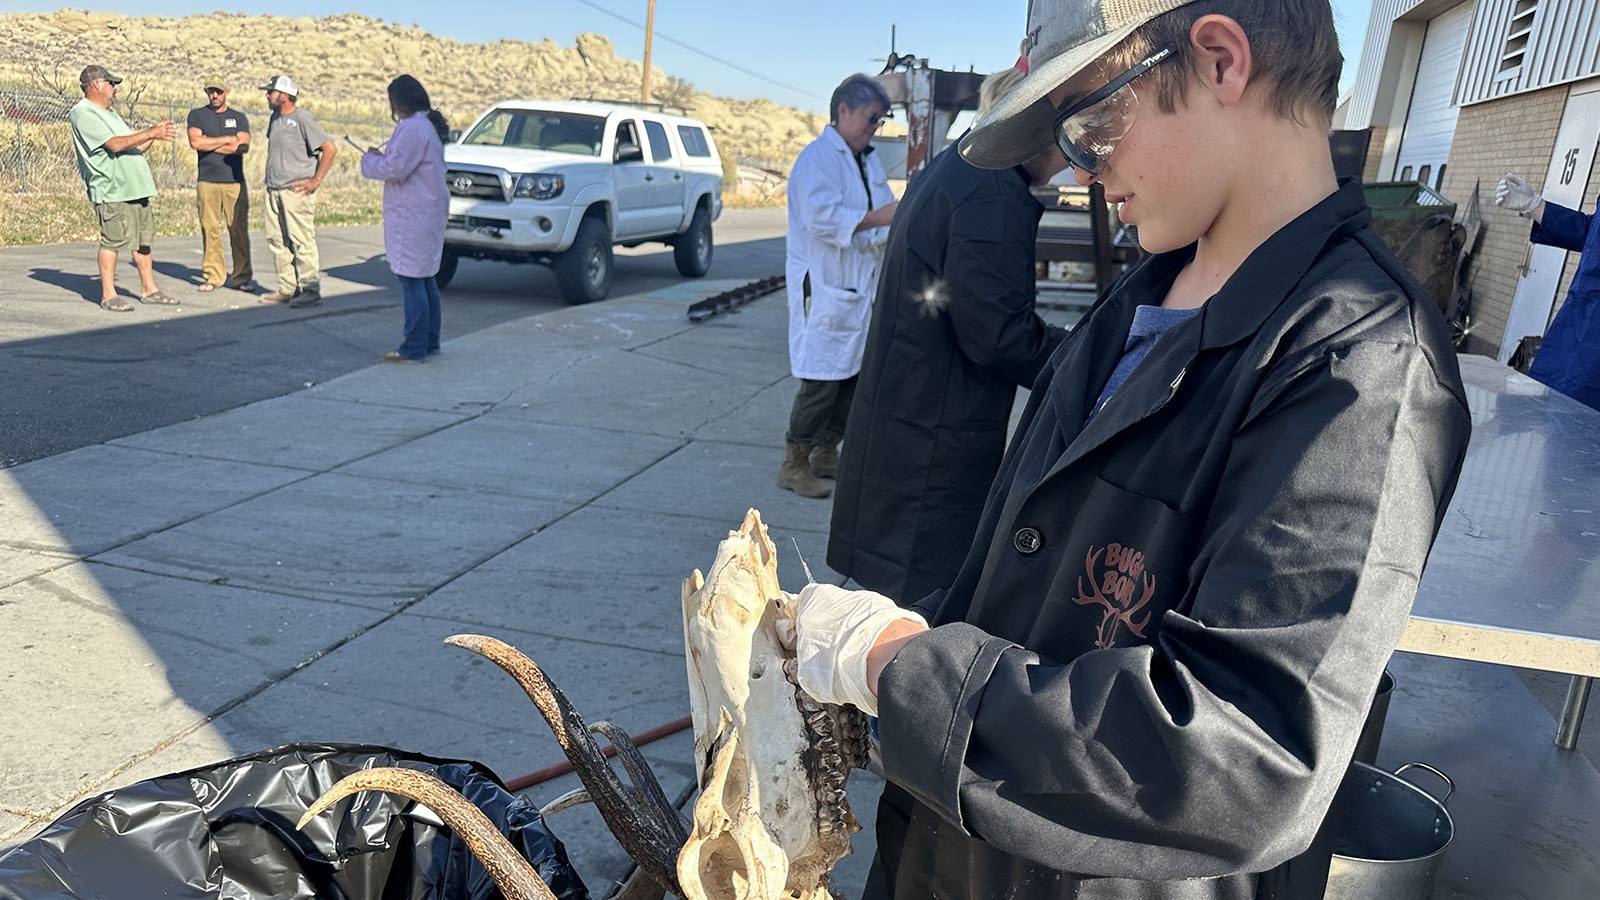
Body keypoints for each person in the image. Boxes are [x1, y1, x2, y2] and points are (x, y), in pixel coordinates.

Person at [789, 3, 1473, 899]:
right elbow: (1019, 579)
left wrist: (897, 667)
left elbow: (1248, 758)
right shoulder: (1140, 302)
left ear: (1222, 60)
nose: (1081, 170)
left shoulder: (1361, 367)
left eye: (1092, 122)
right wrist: (895, 636)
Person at [827, 64, 1070, 605]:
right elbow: (997, 334)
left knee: (890, 591)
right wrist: (1082, 355)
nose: (1073, 162)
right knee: (917, 607)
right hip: (934, 430)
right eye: (1070, 142)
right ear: (1033, 129)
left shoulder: (956, 167)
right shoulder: (993, 191)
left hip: (910, 406)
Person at [781, 73, 900, 499]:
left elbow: (885, 206)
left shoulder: (865, 160)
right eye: (871, 118)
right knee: (821, 379)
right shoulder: (818, 159)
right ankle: (794, 462)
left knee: (853, 375)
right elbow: (823, 220)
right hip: (827, 284)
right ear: (843, 111)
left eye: (880, 121)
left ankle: (827, 452)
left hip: (858, 285)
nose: (875, 128)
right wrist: (881, 219)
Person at [68, 64, 180, 312]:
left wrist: (154, 135)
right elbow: (116, 145)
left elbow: (134, 147)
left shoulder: (110, 113)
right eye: (111, 82)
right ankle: (109, 295)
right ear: (96, 84)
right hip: (112, 188)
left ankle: (149, 289)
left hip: (135, 187)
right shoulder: (84, 113)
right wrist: (150, 131)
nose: (114, 87)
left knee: (142, 240)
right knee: (113, 240)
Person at [360, 74, 449, 364]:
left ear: (399, 101)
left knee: (411, 279)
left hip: (414, 213)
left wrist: (369, 161)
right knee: (425, 277)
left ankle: (413, 347)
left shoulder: (411, 128)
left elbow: (396, 169)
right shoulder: (426, 126)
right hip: (426, 210)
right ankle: (430, 341)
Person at [1495, 172, 1600, 410]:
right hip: (1577, 330)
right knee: (1559, 413)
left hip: (1592, 347)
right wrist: (1536, 206)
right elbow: (1592, 233)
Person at [260, 74, 337, 308]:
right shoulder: (275, 118)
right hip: (274, 189)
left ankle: (311, 289)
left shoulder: (302, 117)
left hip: (296, 191)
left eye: (271, 92)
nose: (267, 96)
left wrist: (316, 180)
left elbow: (329, 148)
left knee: (301, 240)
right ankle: (288, 287)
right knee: (277, 240)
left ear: (284, 95)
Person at [187, 75, 254, 293]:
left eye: (218, 91)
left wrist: (210, 143)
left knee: (238, 230)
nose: (214, 95)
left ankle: (241, 277)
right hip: (207, 181)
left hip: (234, 181)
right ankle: (213, 276)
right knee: (210, 229)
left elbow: (242, 146)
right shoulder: (197, 115)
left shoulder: (238, 117)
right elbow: (196, 142)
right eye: (210, 91)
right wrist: (227, 140)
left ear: (227, 91)